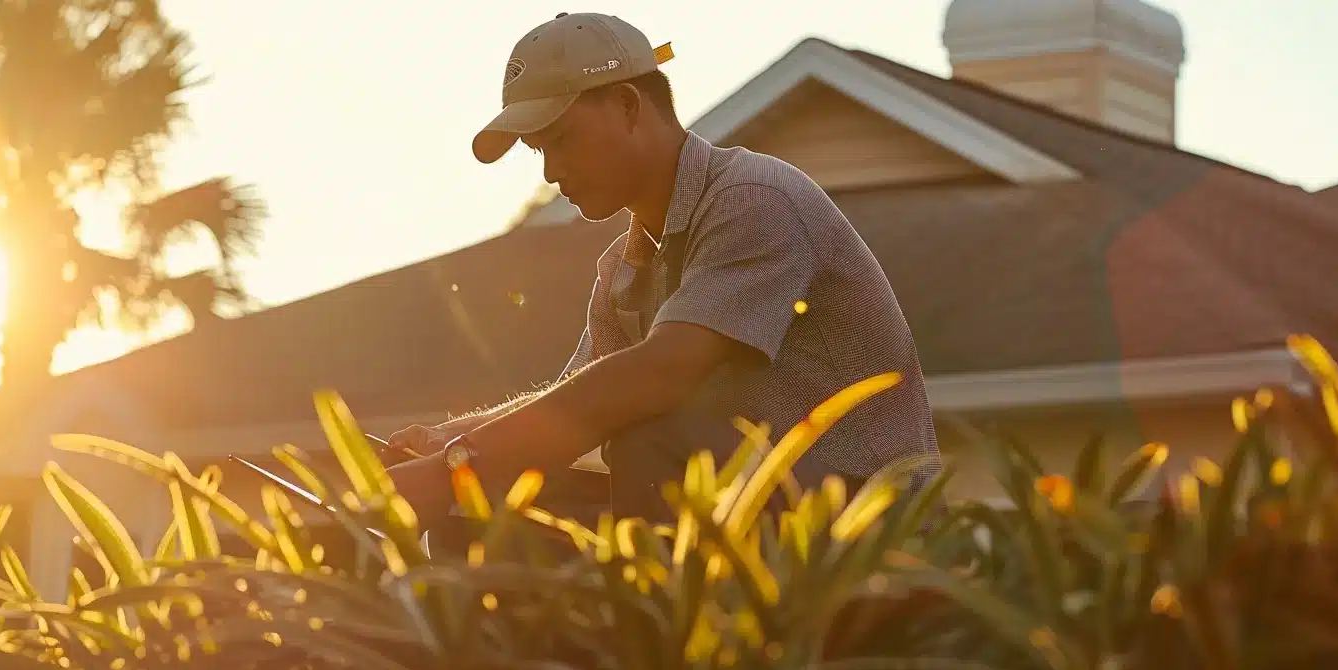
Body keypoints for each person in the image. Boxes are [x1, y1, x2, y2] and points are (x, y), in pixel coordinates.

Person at [385, 13, 942, 530]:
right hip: (760, 505)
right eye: (538, 151)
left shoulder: (755, 199)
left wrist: (453, 466)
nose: (552, 171)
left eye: (562, 140)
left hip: (875, 522)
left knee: (646, 440)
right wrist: (446, 441)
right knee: (497, 491)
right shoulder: (625, 265)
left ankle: (671, 608)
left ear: (628, 106)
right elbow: (577, 399)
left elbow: (659, 375)